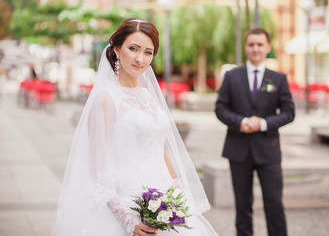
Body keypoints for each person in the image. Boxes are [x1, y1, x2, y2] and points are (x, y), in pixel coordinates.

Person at [51, 18, 218, 236]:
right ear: (117, 49)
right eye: (133, 49)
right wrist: (127, 220)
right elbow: (97, 168)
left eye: (148, 52)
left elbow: (160, 149)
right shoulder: (106, 98)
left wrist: (177, 192)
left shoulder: (148, 95)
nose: (140, 59)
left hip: (163, 198)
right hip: (125, 199)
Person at [215, 28, 295, 236]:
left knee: (274, 204)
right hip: (238, 150)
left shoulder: (278, 79)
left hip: (268, 151)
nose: (256, 49)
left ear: (267, 47)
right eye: (251, 44)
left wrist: (262, 124)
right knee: (242, 207)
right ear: (246, 47)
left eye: (260, 44)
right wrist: (240, 122)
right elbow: (220, 108)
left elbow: (289, 112)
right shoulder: (231, 76)